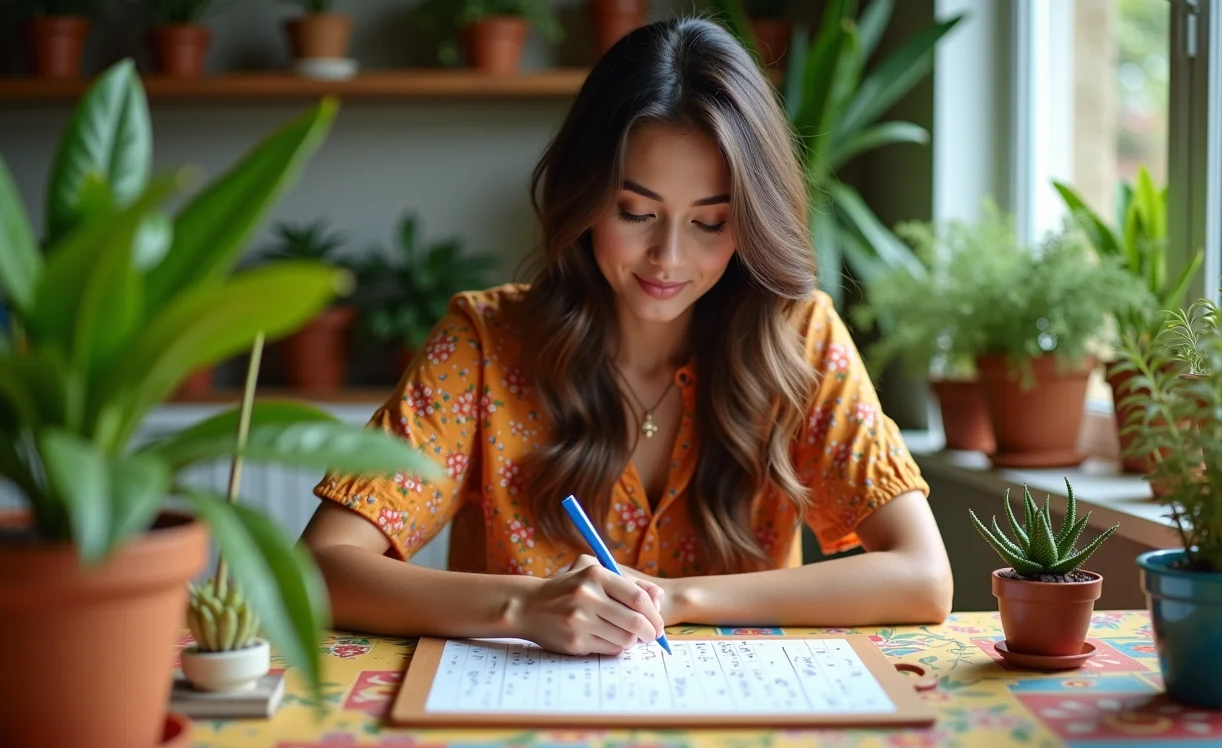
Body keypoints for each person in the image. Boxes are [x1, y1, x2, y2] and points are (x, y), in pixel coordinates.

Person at [300, 16, 953, 657]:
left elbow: (923, 578)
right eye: (635, 212)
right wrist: (524, 607)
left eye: (710, 223)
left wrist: (677, 599)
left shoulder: (799, 337)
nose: (667, 257)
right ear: (584, 198)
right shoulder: (484, 343)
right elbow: (320, 567)